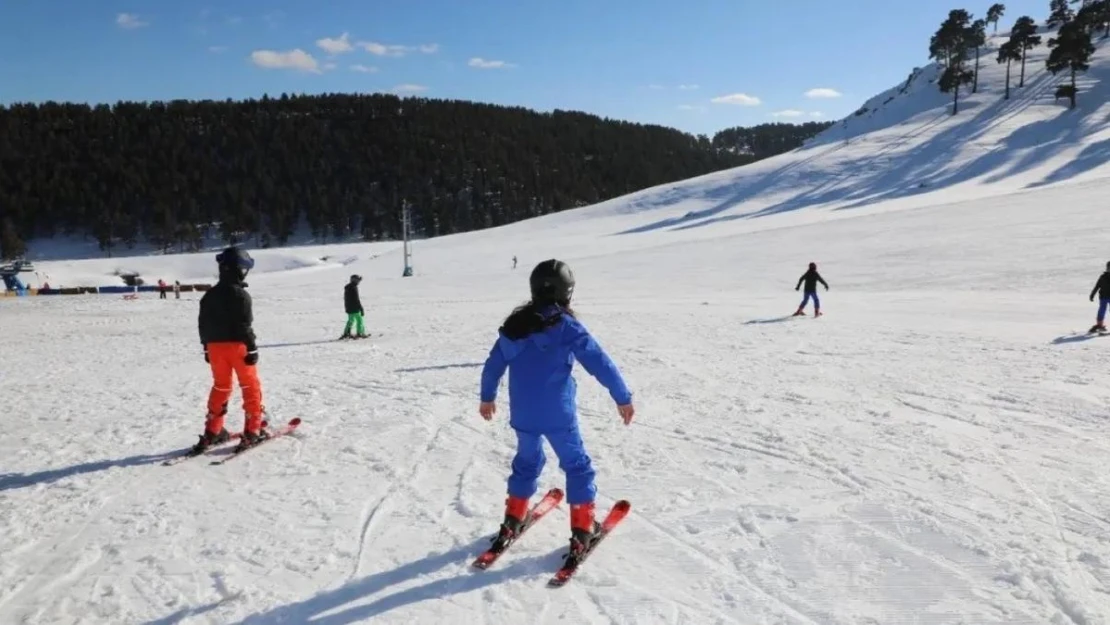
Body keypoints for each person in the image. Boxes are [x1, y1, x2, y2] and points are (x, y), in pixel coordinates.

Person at [478, 259, 635, 561]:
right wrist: (622, 396)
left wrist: (487, 397)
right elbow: (598, 361)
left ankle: (513, 519)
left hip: (523, 415)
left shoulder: (515, 327)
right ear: (567, 292)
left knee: (527, 461)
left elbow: (493, 365)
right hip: (558, 416)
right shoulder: (565, 325)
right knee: (577, 466)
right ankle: (582, 529)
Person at [195, 246, 267, 453]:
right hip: (237, 346)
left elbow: (203, 324)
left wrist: (207, 348)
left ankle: (213, 430)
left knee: (221, 386)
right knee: (249, 385)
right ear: (239, 270)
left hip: (214, 347)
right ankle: (253, 430)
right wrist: (252, 349)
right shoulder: (241, 295)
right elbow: (244, 326)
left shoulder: (209, 295)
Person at [341, 274, 367, 339]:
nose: (359, 282)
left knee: (351, 320)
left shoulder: (348, 287)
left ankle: (346, 333)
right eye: (358, 280)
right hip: (354, 308)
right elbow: (356, 299)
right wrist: (361, 308)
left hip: (349, 308)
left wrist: (347, 308)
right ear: (354, 280)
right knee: (359, 320)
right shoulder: (353, 288)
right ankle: (360, 333)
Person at [1088, 261, 1110, 333]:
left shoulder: (1103, 277)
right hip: (1103, 297)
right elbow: (1097, 286)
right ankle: (1099, 324)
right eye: (1108, 268)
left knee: (1102, 310)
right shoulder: (1102, 277)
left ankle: (1100, 325)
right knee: (1102, 310)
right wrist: (1092, 294)